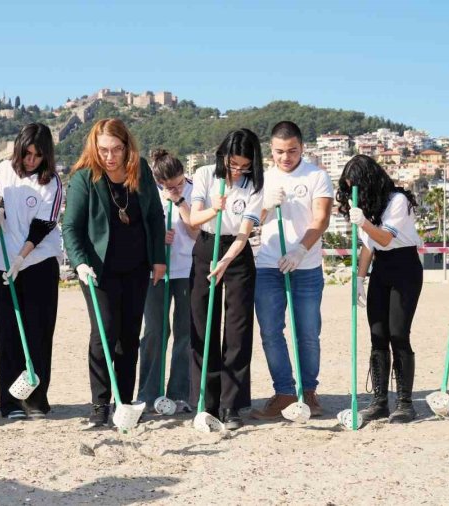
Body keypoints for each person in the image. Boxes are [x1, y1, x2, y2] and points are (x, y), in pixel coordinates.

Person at [62, 118, 166, 428]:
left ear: (127, 147)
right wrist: (79, 262)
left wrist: (158, 259)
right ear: (95, 148)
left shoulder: (140, 170)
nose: (110, 156)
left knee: (129, 336)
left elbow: (155, 216)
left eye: (117, 149)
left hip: (136, 267)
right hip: (98, 270)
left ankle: (124, 402)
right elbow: (71, 226)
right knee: (104, 332)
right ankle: (99, 404)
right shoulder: (84, 178)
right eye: (104, 150)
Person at [251, 121, 333, 421]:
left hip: (306, 266)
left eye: (292, 151)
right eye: (279, 152)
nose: (285, 157)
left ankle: (308, 392)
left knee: (308, 333)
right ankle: (284, 392)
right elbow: (250, 220)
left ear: (303, 148)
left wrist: (300, 249)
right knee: (271, 332)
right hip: (268, 265)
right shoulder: (262, 178)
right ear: (270, 150)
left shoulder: (317, 175)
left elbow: (321, 218)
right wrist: (265, 207)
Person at [336, 155, 423, 423]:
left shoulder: (397, 201)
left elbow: (384, 237)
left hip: (404, 266)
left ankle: (405, 402)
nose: (354, 193)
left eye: (357, 187)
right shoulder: (366, 207)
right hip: (382, 268)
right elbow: (368, 246)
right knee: (377, 335)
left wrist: (363, 222)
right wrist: (359, 278)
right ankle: (379, 401)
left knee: (398, 334)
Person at [188, 128, 264, 430]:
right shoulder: (206, 174)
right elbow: (193, 219)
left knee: (237, 330)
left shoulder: (255, 184)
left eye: (244, 165)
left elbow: (245, 232)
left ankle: (231, 405)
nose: (237, 170)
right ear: (223, 155)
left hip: (237, 254)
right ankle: (206, 403)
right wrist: (212, 209)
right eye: (233, 163)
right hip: (206, 246)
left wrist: (227, 260)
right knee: (202, 326)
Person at [0, 123, 62, 420]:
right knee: (8, 333)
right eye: (27, 154)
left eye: (37, 156)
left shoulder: (52, 183)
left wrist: (21, 258)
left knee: (37, 332)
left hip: (38, 262)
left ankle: (35, 400)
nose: (31, 160)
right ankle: (10, 403)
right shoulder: (4, 170)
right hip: (5, 262)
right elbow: (6, 199)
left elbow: (42, 226)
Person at [136, 149, 198, 413]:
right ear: (158, 181)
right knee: (155, 331)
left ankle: (180, 393)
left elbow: (197, 232)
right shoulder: (148, 193)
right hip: (157, 272)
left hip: (187, 269)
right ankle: (148, 394)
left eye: (179, 182)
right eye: (168, 186)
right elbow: (141, 230)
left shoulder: (195, 191)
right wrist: (158, 238)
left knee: (185, 333)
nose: (174, 188)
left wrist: (181, 200)